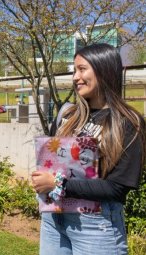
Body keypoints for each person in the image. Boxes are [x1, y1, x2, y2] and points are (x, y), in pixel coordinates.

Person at [31, 43, 146, 255]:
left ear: (103, 69)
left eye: (82, 69)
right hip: (53, 218)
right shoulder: (67, 115)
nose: (75, 77)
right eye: (74, 70)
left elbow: (117, 187)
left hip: (96, 226)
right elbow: (52, 160)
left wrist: (57, 183)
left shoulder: (128, 123)